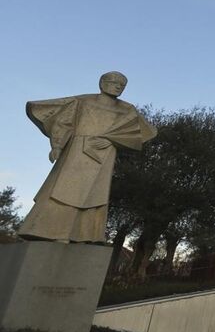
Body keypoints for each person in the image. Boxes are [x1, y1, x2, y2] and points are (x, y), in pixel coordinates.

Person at [18, 71, 157, 243]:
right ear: (102, 83)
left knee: (95, 196)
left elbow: (138, 133)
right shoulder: (82, 101)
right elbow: (64, 123)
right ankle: (46, 231)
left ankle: (85, 235)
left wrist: (112, 140)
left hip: (104, 154)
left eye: (122, 84)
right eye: (114, 82)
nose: (118, 86)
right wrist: (57, 146)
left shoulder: (128, 109)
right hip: (77, 150)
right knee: (62, 189)